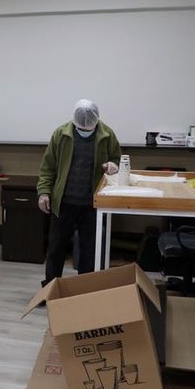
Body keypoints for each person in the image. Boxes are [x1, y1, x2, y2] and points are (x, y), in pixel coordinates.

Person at [37, 99, 121, 286]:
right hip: (63, 203)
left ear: (96, 120)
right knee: (56, 249)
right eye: (80, 128)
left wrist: (113, 165)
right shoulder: (61, 134)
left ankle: (84, 290)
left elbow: (117, 158)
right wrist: (43, 192)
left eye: (87, 128)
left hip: (92, 204)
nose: (84, 130)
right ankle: (50, 288)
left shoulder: (107, 135)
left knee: (89, 252)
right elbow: (48, 168)